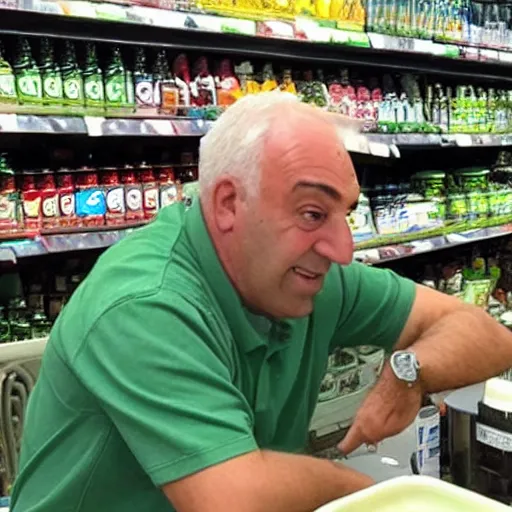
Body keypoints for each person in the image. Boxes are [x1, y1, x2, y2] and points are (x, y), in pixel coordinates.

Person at [11, 92, 512, 512]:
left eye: (345, 215)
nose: (342, 249)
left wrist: (409, 371)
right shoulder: (145, 303)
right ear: (229, 203)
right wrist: (381, 496)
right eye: (314, 213)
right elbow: (233, 497)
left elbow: (488, 337)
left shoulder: (312, 276)